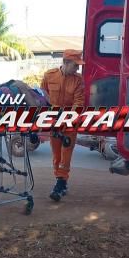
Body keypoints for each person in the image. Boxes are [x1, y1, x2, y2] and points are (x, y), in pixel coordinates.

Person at [41, 49, 85, 202]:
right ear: (66, 63)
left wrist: (68, 119)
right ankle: (61, 182)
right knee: (56, 155)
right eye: (75, 65)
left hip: (70, 123)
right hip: (54, 122)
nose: (77, 68)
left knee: (66, 155)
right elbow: (43, 98)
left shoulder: (78, 80)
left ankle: (59, 185)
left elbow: (79, 102)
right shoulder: (49, 76)